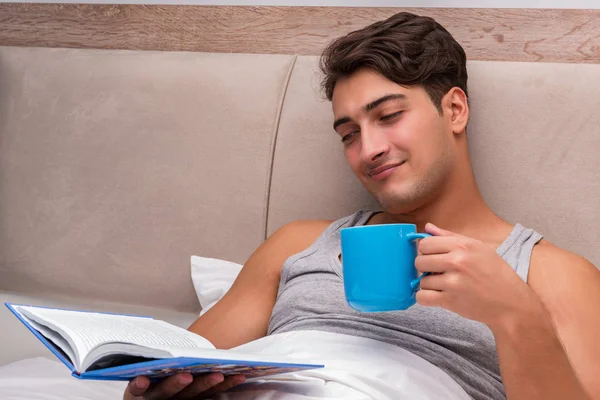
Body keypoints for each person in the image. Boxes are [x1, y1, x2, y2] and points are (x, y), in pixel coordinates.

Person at [124, 11, 600, 400]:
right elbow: (182, 362)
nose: (367, 149)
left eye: (389, 116)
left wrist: (514, 312)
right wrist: (153, 389)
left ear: (454, 110)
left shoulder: (552, 273)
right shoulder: (299, 243)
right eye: (349, 134)